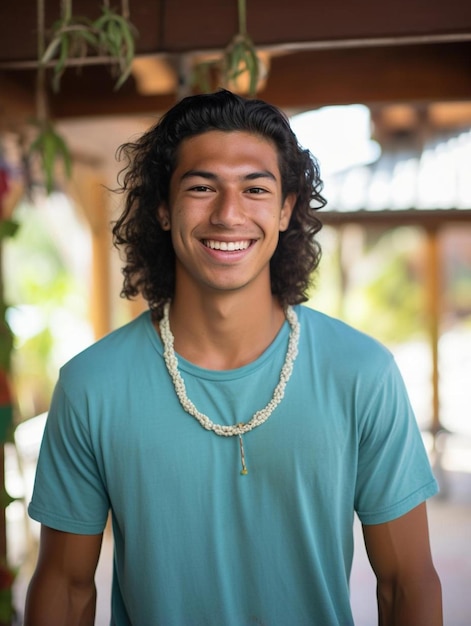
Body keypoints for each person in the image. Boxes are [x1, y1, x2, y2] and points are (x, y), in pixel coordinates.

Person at [24, 89, 442, 625]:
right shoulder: (91, 386)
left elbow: (407, 585)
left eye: (255, 188)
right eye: (201, 187)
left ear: (287, 208)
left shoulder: (361, 374)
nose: (228, 213)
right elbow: (65, 587)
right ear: (162, 208)